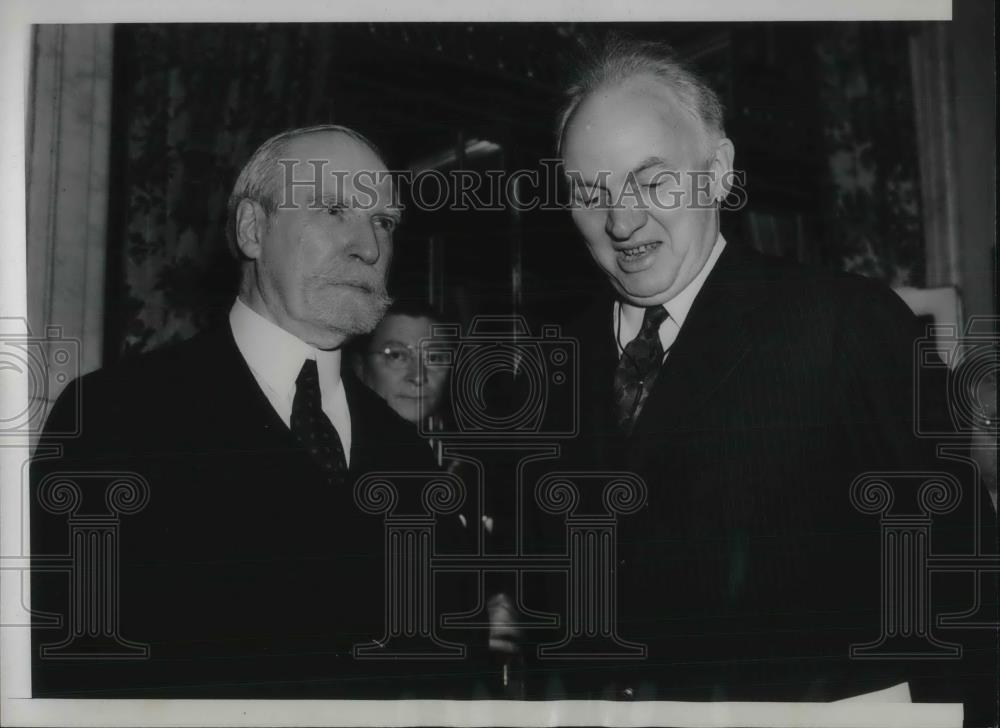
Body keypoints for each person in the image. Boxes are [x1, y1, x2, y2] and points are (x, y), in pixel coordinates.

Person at [542, 36, 997, 722]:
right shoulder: (555, 362)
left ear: (719, 170)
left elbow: (963, 586)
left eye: (652, 179)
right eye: (590, 191)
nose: (622, 219)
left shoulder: (845, 325)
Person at [30, 125, 478, 698]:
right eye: (335, 209)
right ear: (253, 228)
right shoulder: (115, 417)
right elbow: (61, 663)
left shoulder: (410, 461)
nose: (369, 247)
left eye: (384, 222)